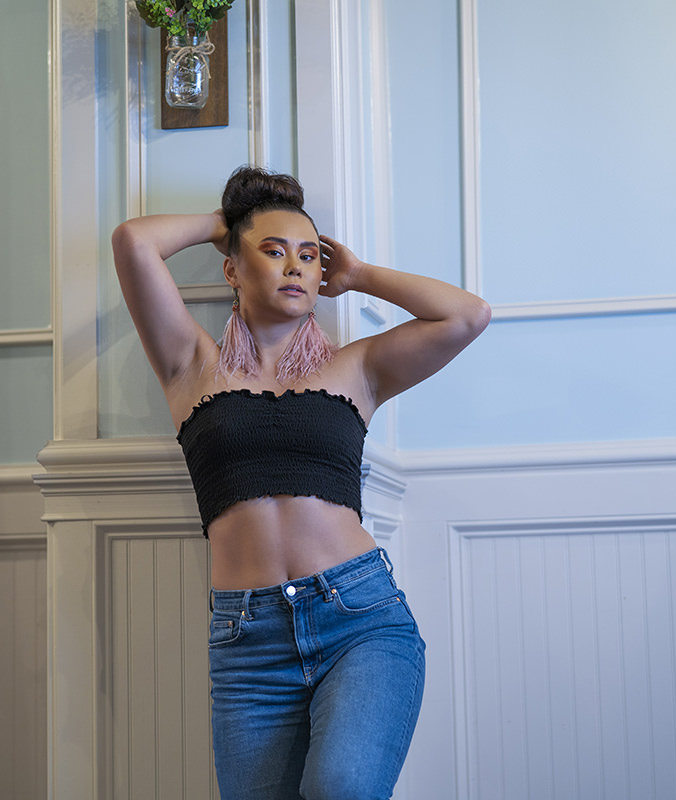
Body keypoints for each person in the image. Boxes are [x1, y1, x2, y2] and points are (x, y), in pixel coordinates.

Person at [111, 165, 491, 799]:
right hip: (248, 645)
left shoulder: (357, 369)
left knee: (342, 787)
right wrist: (229, 224)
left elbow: (467, 315)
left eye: (309, 256)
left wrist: (358, 274)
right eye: (273, 251)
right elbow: (133, 242)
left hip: (359, 621)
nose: (295, 266)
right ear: (232, 270)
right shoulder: (190, 366)